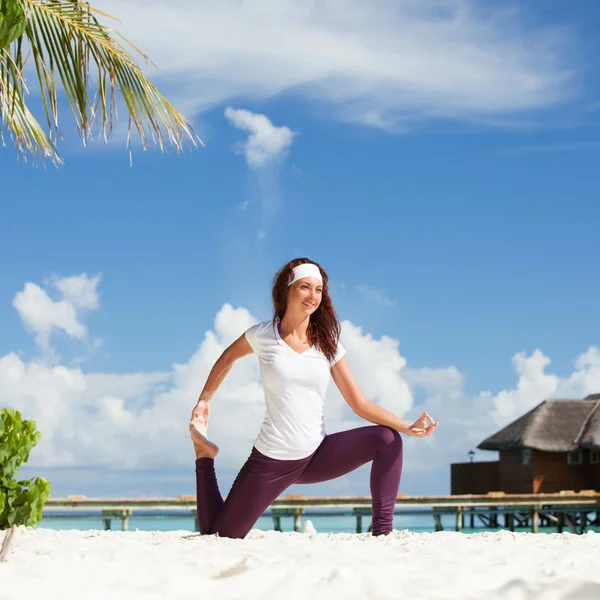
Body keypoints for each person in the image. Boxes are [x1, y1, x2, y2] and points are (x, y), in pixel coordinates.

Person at [190, 257, 438, 539]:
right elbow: (226, 358)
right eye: (305, 287)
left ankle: (383, 534)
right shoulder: (263, 335)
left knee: (387, 439)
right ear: (288, 289)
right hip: (271, 460)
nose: (313, 296)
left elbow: (359, 403)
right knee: (220, 535)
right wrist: (205, 400)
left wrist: (407, 426)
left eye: (318, 289)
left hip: (317, 454)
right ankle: (204, 457)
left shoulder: (328, 346)